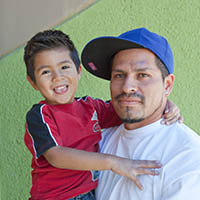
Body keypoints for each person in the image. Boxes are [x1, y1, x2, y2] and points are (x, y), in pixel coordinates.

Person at [24, 29, 181, 200]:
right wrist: (113, 163)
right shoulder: (40, 114)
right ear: (33, 82)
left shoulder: (91, 107)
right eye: (46, 72)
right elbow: (55, 155)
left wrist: (165, 103)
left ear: (78, 71)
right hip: (56, 197)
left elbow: (130, 106)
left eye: (64, 67)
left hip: (88, 194)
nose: (57, 77)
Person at [81, 27, 200, 200]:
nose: (127, 86)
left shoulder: (187, 155)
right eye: (119, 75)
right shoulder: (100, 138)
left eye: (142, 75)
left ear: (167, 85)